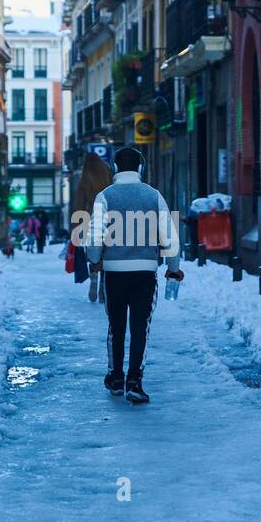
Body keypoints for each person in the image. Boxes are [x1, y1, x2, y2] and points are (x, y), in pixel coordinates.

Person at [84, 146, 183, 404]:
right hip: (145, 273)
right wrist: (173, 267)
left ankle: (115, 377)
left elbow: (94, 237)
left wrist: (94, 259)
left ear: (115, 168)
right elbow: (170, 237)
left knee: (115, 326)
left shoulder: (104, 196)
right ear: (141, 168)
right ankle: (135, 382)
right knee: (141, 327)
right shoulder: (154, 196)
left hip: (114, 273)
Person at [72, 152, 113, 303]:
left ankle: (94, 276)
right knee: (106, 254)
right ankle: (103, 285)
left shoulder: (85, 180)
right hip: (110, 221)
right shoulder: (109, 175)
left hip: (91, 222)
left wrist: (76, 227)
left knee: (94, 252)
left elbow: (78, 206)